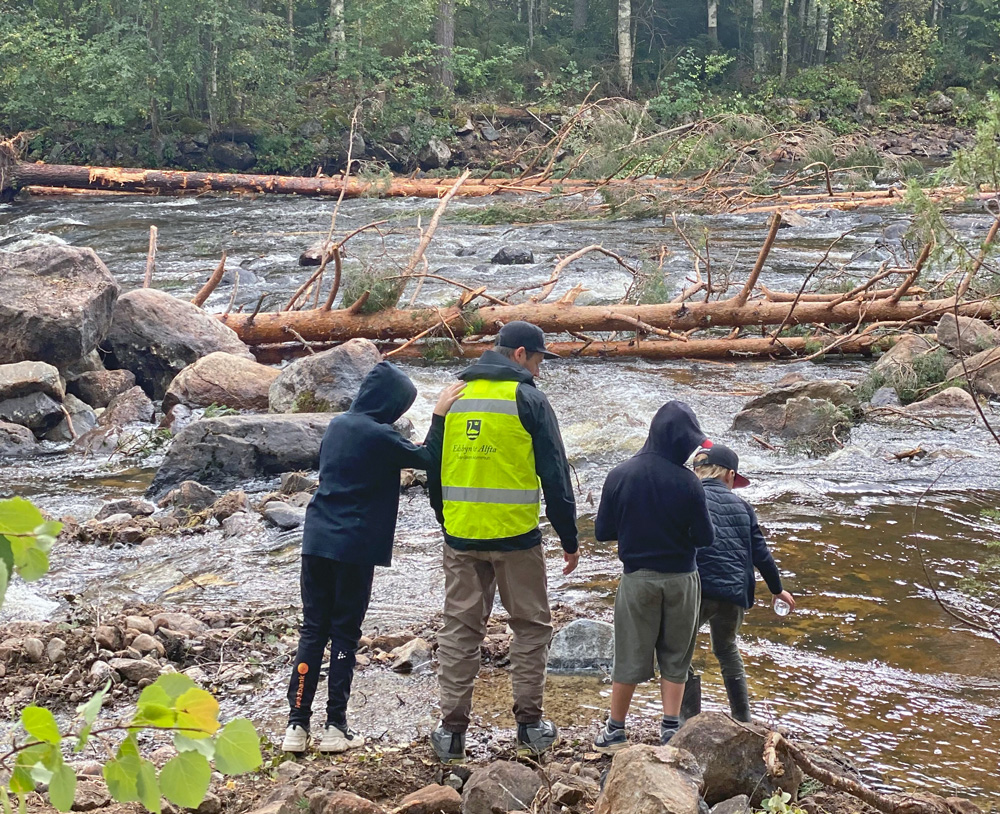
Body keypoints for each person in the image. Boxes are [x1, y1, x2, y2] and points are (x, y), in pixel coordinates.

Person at [282, 361, 465, 754]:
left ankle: (296, 726)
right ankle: (335, 726)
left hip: (316, 539)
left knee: (313, 630)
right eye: (401, 405)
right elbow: (430, 458)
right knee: (344, 635)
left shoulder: (338, 425)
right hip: (354, 546)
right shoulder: (379, 434)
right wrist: (439, 413)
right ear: (389, 404)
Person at [429, 320, 579, 763]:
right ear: (519, 354)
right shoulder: (529, 398)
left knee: (460, 629)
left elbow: (432, 465)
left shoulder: (452, 395)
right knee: (530, 627)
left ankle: (451, 732)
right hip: (516, 538)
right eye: (538, 359)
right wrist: (568, 536)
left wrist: (446, 520)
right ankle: (530, 727)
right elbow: (554, 472)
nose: (540, 369)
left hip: (460, 534)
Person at [592, 401, 714, 754]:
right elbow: (706, 538)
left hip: (638, 580)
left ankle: (615, 730)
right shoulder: (690, 482)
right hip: (682, 580)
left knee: (629, 655)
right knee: (676, 657)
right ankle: (670, 729)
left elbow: (602, 531)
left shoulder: (620, 475)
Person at [686, 443, 795, 723]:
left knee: (675, 649)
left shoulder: (689, 498)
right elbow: (761, 553)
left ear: (698, 472)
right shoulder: (743, 507)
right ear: (730, 476)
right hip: (734, 593)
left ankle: (688, 718)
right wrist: (777, 589)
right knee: (726, 649)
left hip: (698, 590)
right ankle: (743, 716)